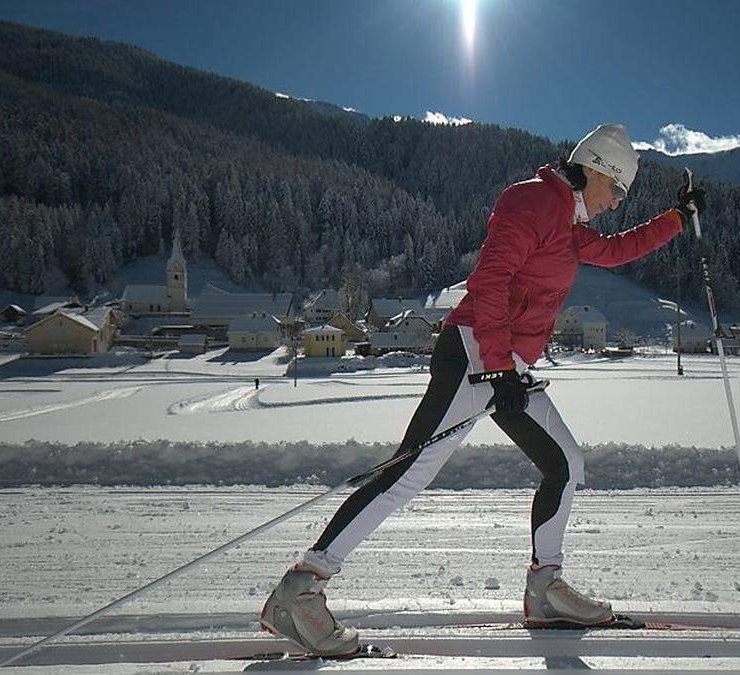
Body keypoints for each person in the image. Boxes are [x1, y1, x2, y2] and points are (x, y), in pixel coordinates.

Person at [260, 123, 705, 655]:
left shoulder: (568, 223)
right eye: (617, 191)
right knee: (407, 474)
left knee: (564, 465)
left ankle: (545, 589)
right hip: (476, 352)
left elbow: (614, 251)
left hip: (507, 364)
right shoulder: (534, 201)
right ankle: (300, 590)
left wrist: (678, 219)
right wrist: (496, 368)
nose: (615, 204)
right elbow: (490, 281)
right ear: (594, 172)